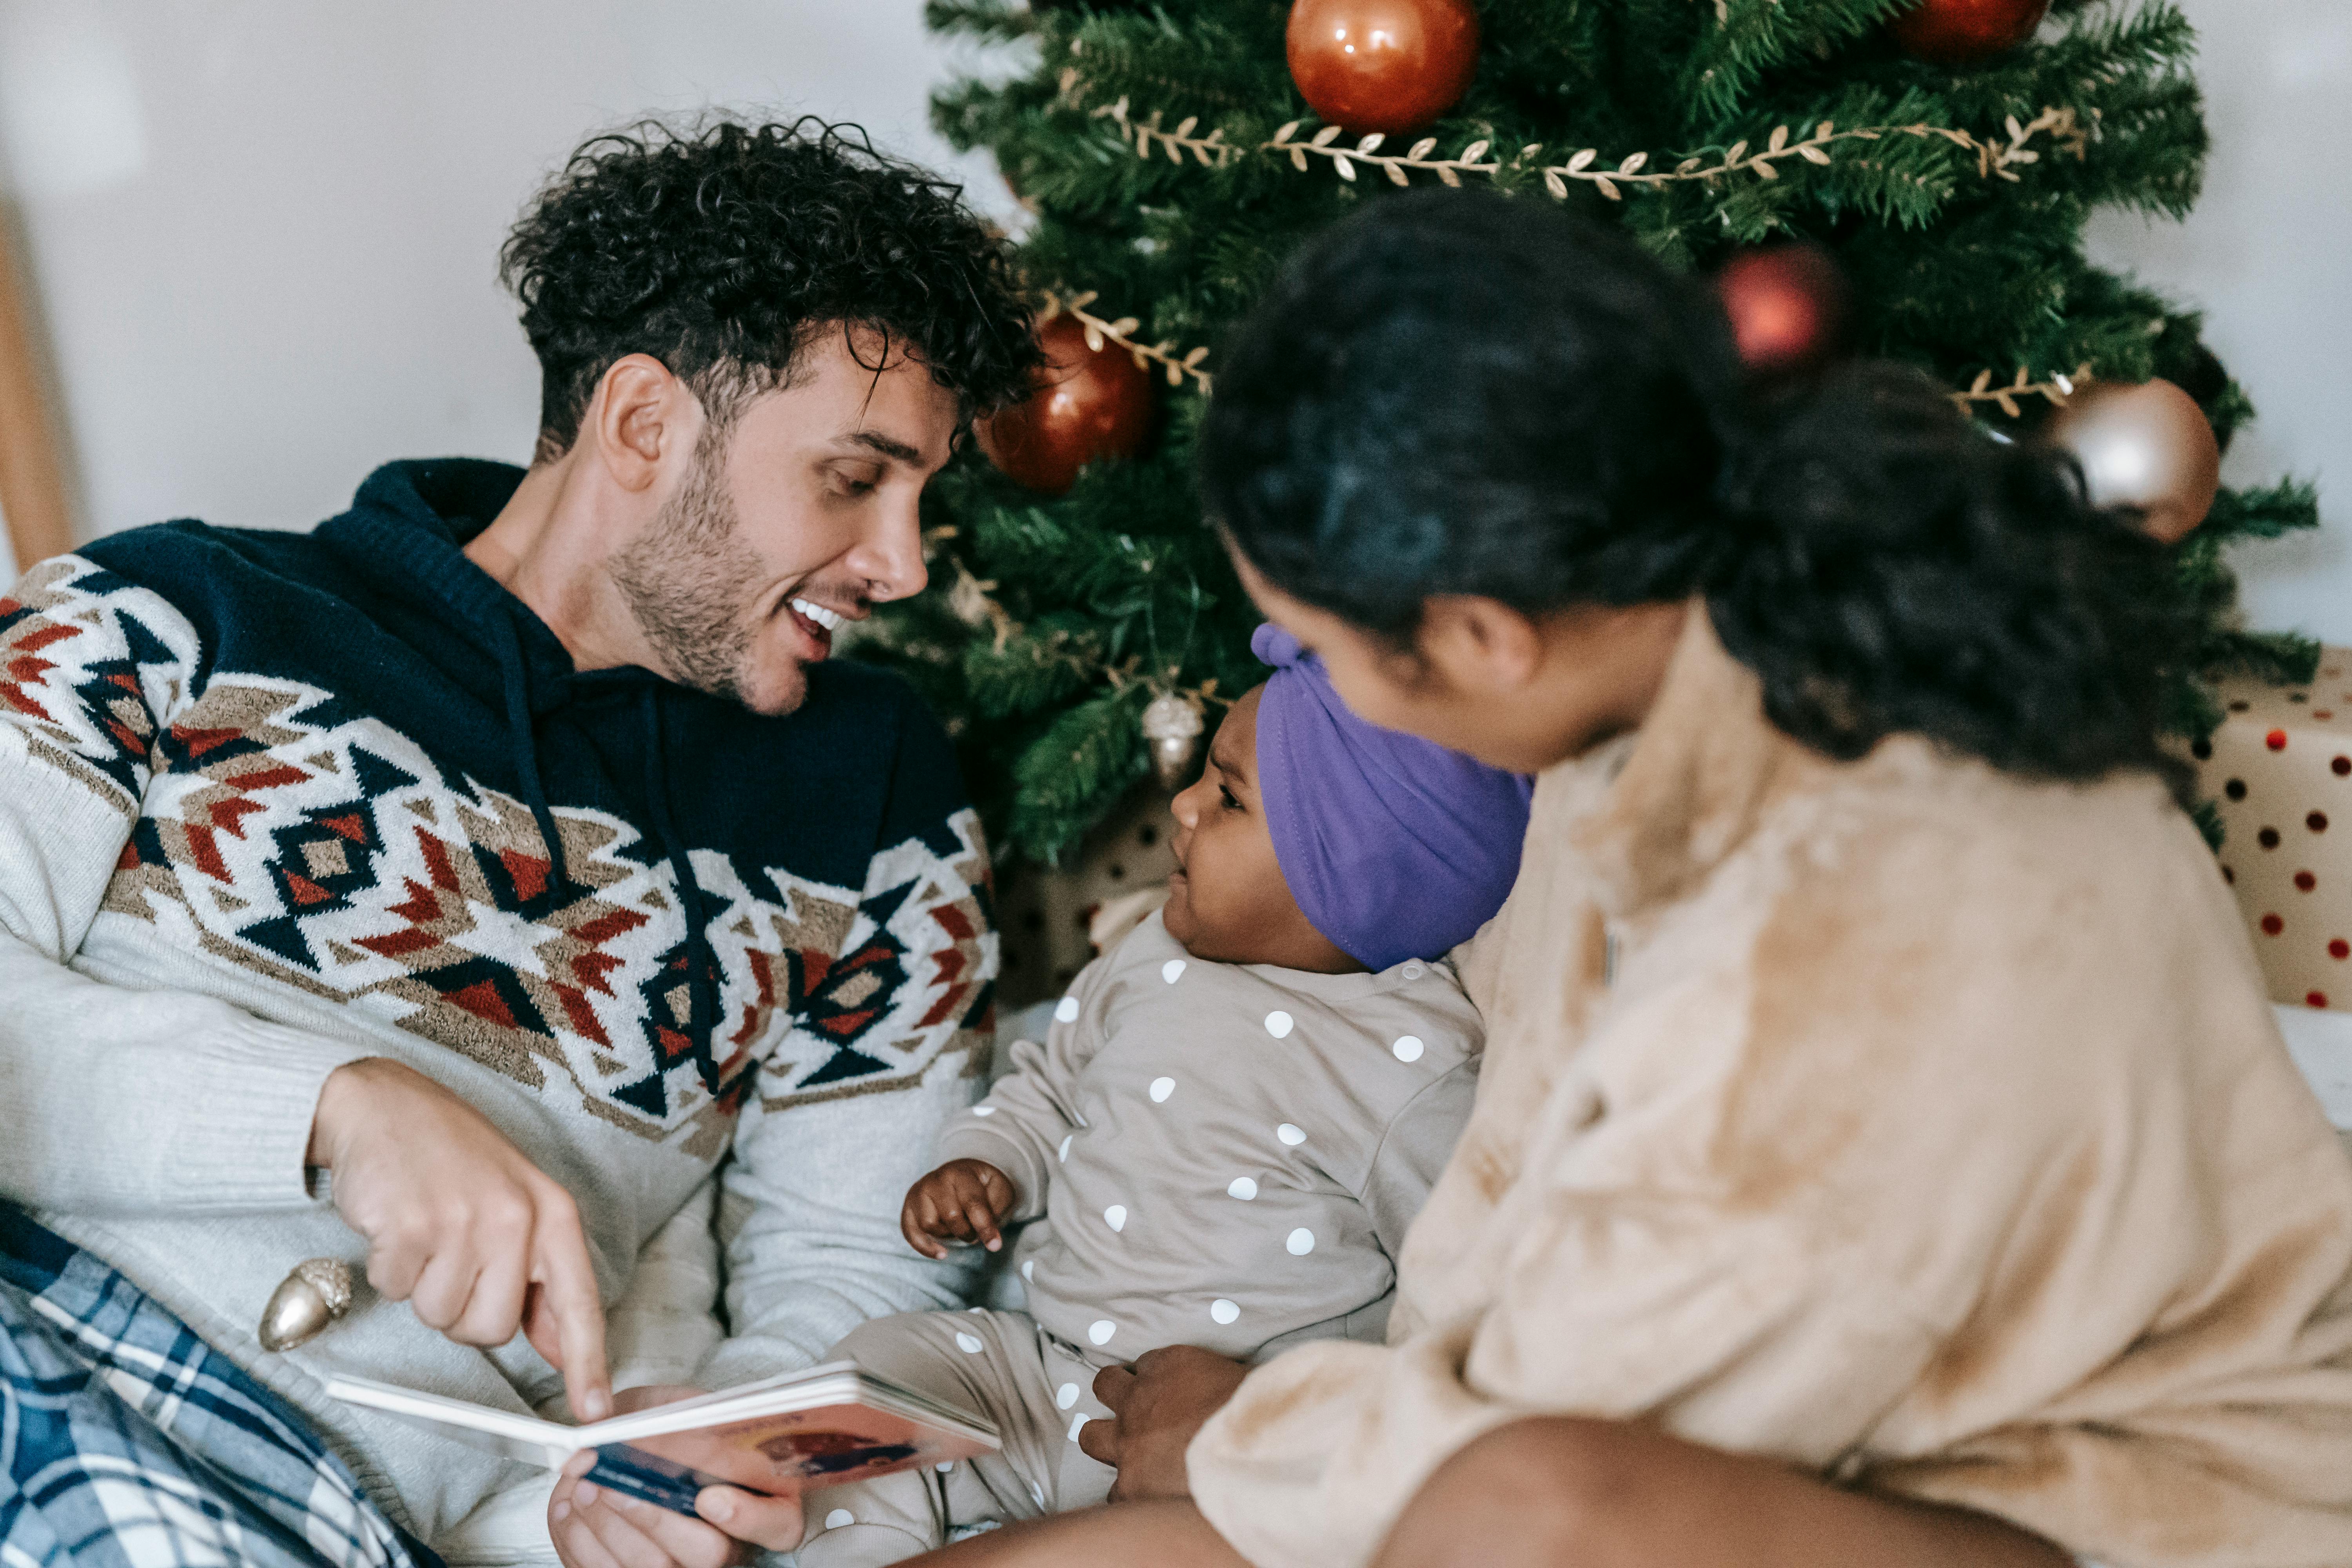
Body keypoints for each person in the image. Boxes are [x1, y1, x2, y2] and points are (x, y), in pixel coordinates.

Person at [889, 192, 2352, 1566]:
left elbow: (1568, 1424)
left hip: (2117, 1514)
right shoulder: (1643, 723)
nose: (1318, 710)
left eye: (1325, 657)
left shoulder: (1880, 900)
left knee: (1514, 1509)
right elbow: (1499, 1236)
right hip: (1803, 1452)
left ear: (1479, 640)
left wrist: (1243, 1431)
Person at [0, 118, 1039, 1568]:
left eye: (923, 498)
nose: (906, 566)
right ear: (642, 425)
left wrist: (649, 1484)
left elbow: (863, 1261)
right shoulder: (163, 613)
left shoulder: (870, 804)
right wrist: (337, 1109)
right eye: (853, 479)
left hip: (349, 1506)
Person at [793, 623, 1530, 1565]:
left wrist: (1289, 1423)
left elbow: (1462, 1287)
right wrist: (987, 1162)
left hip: (1218, 1439)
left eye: (1227, 797)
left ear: (1348, 877)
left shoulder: (1410, 1062)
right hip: (1041, 1375)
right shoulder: (1152, 953)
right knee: (878, 1366)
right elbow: (1051, 1086)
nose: (1180, 804)